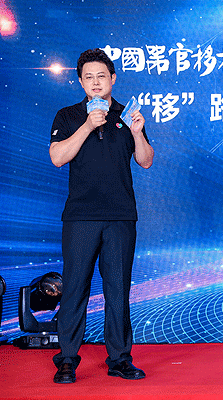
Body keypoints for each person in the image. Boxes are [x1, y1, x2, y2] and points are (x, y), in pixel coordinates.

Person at [49, 48, 154, 384]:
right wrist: (86, 125)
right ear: (81, 82)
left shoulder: (128, 114)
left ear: (113, 79)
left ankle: (120, 359)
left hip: (120, 217)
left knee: (118, 291)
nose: (95, 83)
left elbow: (146, 160)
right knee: (75, 289)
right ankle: (67, 359)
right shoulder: (68, 115)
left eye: (101, 76)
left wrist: (137, 132)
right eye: (88, 77)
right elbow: (57, 157)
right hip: (80, 217)